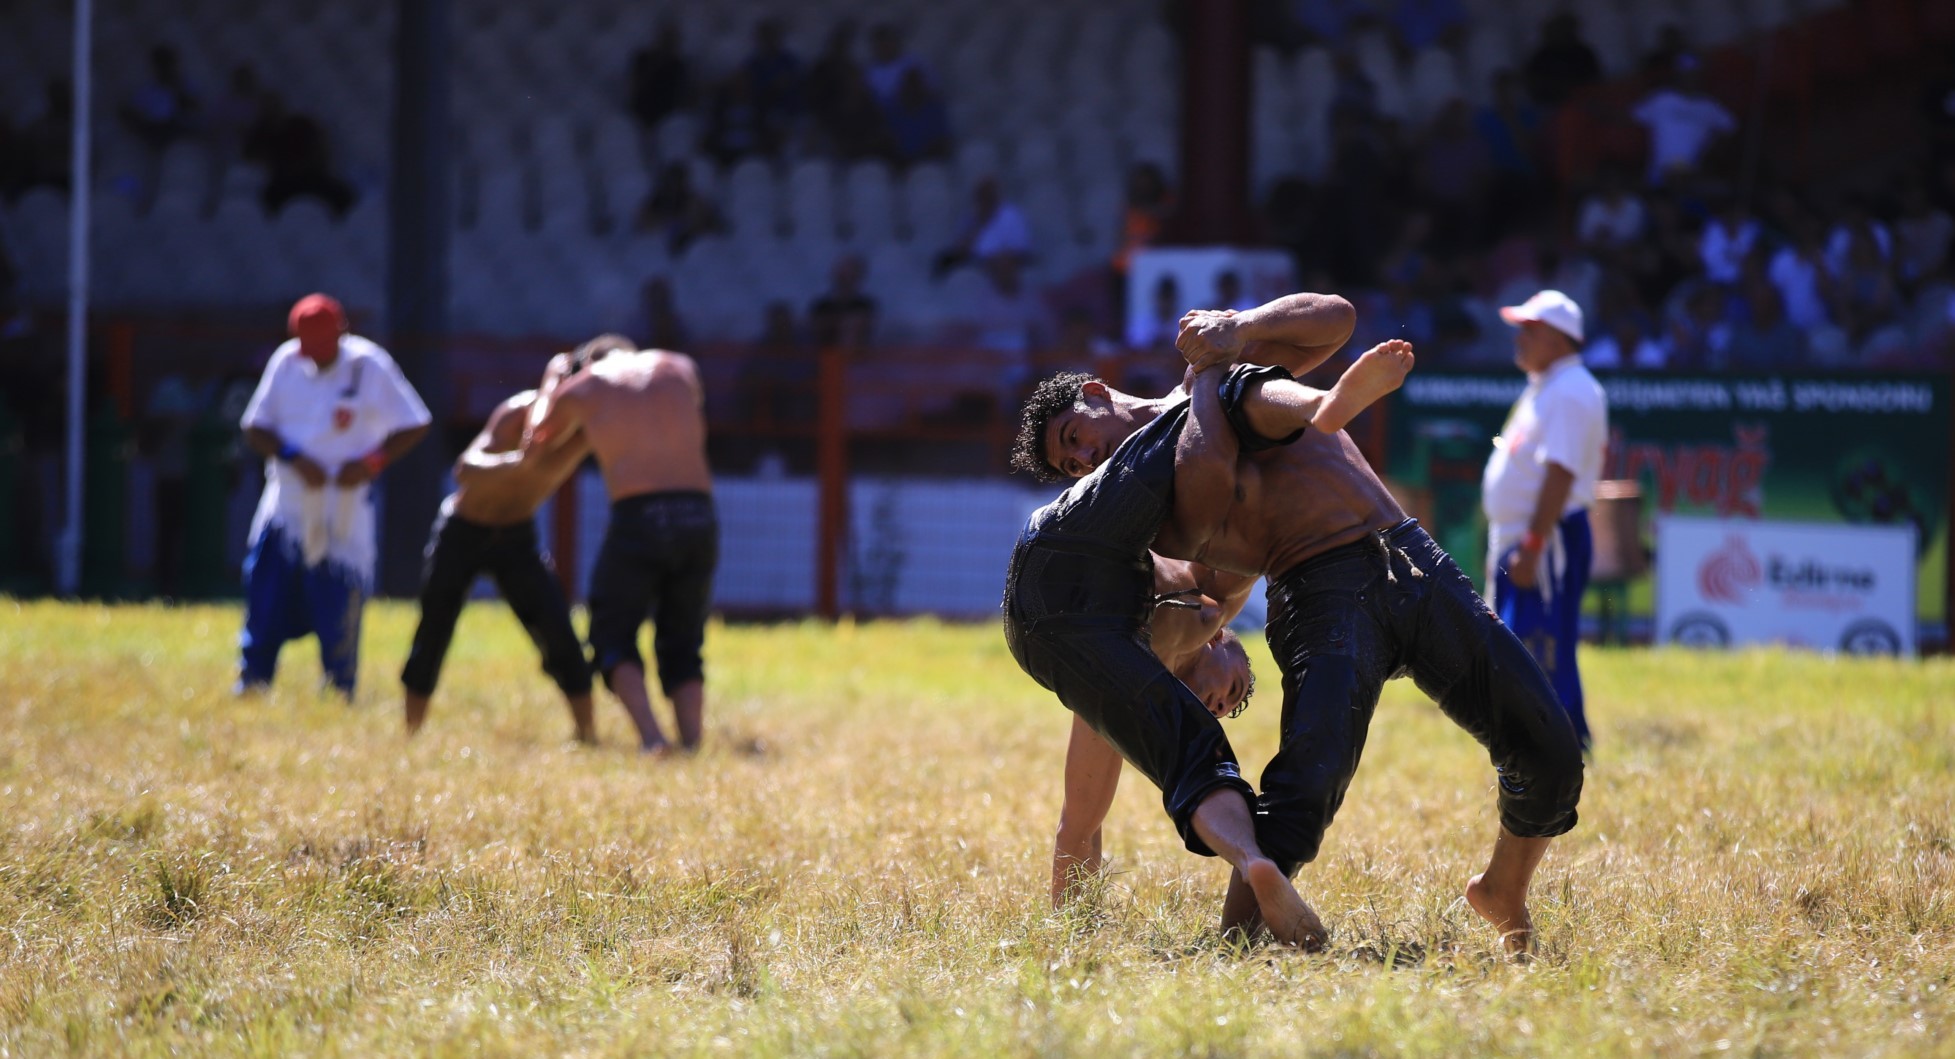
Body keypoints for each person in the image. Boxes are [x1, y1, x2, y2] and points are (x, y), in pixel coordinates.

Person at [1029, 293, 1585, 954]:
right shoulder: (1144, 505)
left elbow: (1335, 318)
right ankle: (1234, 946)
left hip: (1408, 557)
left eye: (1074, 436)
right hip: (1317, 589)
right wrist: (1210, 372)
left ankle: (1501, 888)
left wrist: (1237, 328)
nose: (1086, 457)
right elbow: (1195, 540)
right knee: (1304, 788)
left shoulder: (1220, 363)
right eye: (1073, 466)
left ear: (1095, 392)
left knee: (1549, 754)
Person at [1004, 347, 1409, 949]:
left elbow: (1079, 825)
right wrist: (1224, 354)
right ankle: (1321, 405)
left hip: (1061, 627)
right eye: (1240, 692)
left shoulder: (1153, 658)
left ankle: (1239, 867)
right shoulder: (1208, 595)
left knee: (1144, 786)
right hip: (1060, 582)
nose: (1084, 457)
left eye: (1075, 447)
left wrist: (1070, 947)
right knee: (1214, 406)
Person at [476, 342, 716, 755]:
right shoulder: (678, 366)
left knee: (611, 634)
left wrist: (554, 380)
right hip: (700, 514)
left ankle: (653, 739)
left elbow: (533, 449)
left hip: (640, 514)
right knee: (684, 638)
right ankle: (693, 743)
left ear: (586, 363)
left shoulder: (585, 387)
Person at [399, 336, 632, 744]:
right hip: (463, 530)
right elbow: (465, 470)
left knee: (557, 629)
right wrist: (516, 465)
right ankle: (411, 734)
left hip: (517, 539)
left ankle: (587, 735)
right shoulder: (520, 412)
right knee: (434, 628)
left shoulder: (589, 434)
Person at [236, 294, 431, 697]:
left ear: (342, 333)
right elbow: (255, 426)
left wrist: (370, 463)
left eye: (323, 347)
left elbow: (415, 423)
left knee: (338, 598)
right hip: (287, 505)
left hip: (344, 507)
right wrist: (293, 456)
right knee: (267, 593)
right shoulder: (287, 362)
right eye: (309, 347)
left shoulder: (368, 365)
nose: (316, 357)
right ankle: (253, 680)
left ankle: (339, 684)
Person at [1050, 554, 1258, 907]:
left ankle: (1075, 918)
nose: (1220, 707)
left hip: (1070, 615)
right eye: (1233, 689)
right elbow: (1251, 548)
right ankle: (1256, 858)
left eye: (1223, 712)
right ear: (1219, 639)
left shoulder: (1126, 690)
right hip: (1083, 558)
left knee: (1083, 813)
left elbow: (1080, 819)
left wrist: (1074, 927)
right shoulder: (1213, 604)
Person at [1483, 290, 1606, 751]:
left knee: (1539, 648)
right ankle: (1551, 742)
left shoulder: (1572, 391)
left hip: (1547, 539)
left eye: (1529, 331)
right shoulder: (1548, 387)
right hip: (1531, 538)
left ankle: (1553, 746)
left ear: (1558, 339)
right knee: (1528, 644)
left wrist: (1533, 544)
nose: (1519, 339)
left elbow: (1560, 472)